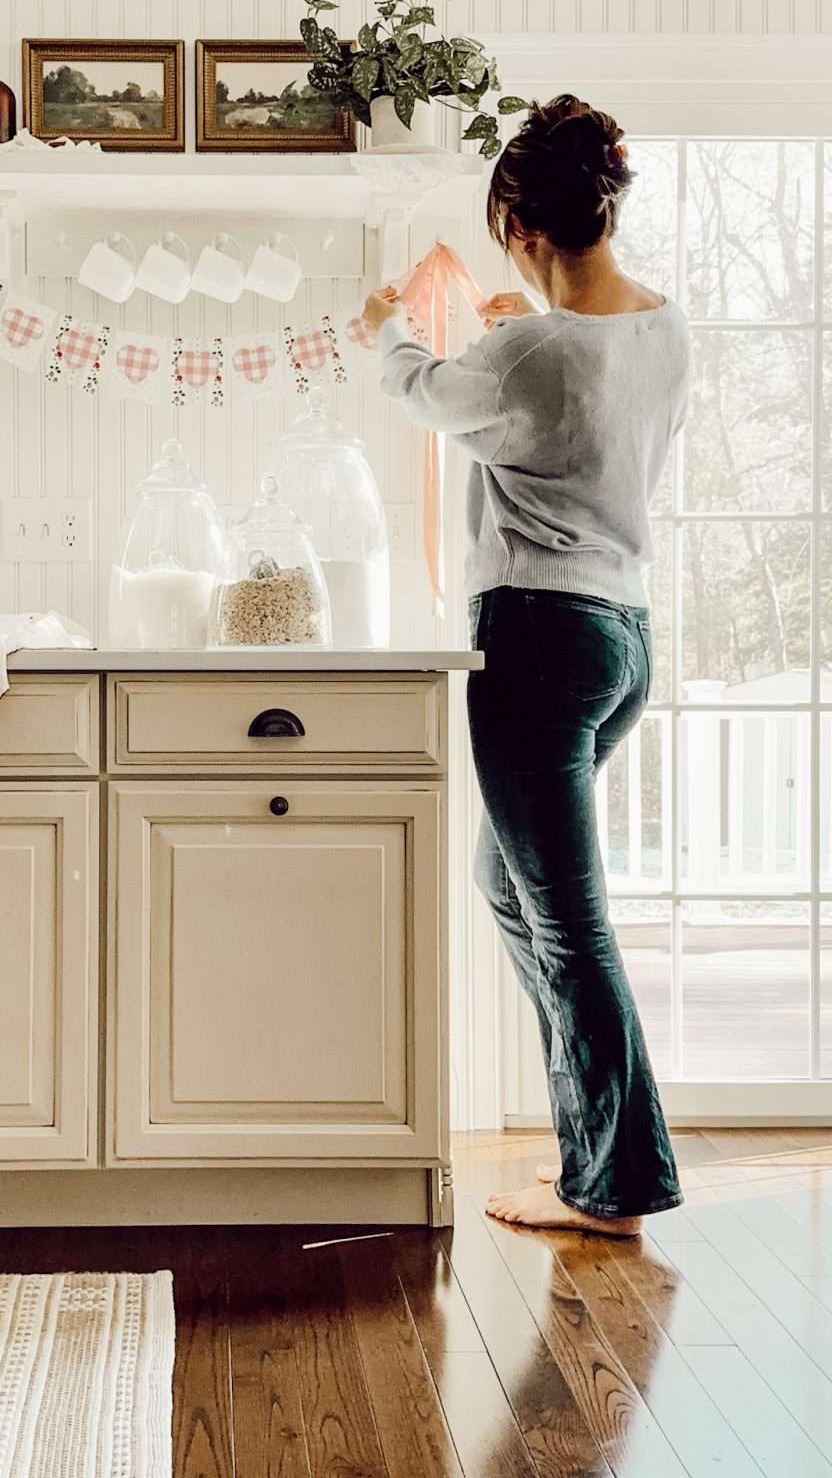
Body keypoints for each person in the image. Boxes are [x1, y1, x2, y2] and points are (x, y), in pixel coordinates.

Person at [364, 94, 688, 1236]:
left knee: (569, 923)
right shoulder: (659, 327)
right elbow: (569, 398)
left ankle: (613, 1184)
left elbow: (428, 390)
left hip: (538, 646)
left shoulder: (527, 349)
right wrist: (516, 327)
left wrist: (384, 326)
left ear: (527, 229)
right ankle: (587, 1153)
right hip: (624, 639)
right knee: (510, 888)